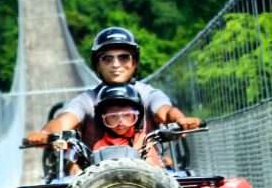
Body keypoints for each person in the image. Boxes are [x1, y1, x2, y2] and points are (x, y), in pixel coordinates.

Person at [24, 26, 202, 147]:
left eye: (124, 57)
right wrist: (45, 133)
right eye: (107, 59)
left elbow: (165, 111)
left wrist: (180, 120)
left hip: (147, 172)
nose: (116, 64)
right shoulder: (87, 100)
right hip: (98, 177)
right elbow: (64, 120)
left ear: (134, 63)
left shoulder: (149, 94)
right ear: (98, 65)